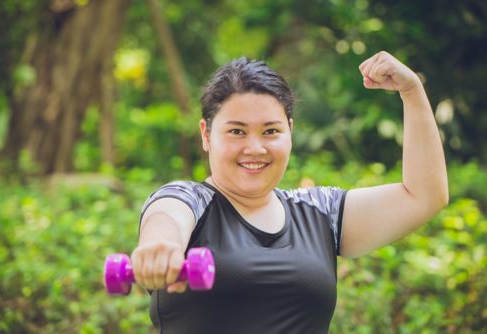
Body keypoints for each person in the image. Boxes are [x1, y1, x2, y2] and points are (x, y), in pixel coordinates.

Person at [131, 51, 448, 333]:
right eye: (237, 131)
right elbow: (167, 219)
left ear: (290, 133)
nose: (255, 148)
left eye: (271, 131)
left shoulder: (320, 213)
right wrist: (161, 247)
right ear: (206, 134)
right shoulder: (189, 199)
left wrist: (412, 91)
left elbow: (424, 195)